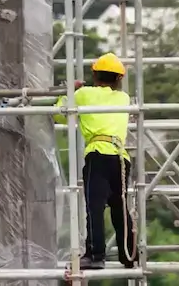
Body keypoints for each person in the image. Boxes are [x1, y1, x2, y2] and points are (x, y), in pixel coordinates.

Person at [54, 53, 135, 270]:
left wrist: (70, 89)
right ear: (119, 79)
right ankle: (129, 254)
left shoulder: (83, 94)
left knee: (95, 207)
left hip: (98, 154)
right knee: (120, 207)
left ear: (95, 75)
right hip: (121, 158)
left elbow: (59, 113)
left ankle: (96, 255)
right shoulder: (124, 98)